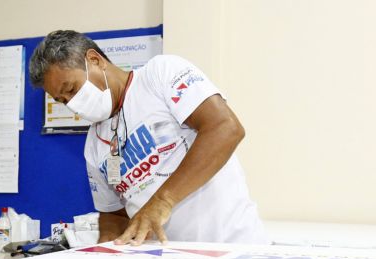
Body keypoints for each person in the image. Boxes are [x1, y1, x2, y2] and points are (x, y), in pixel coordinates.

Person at [29, 30, 268, 245]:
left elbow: (225, 128)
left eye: (71, 89)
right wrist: (107, 251)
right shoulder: (94, 144)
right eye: (63, 100)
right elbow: (115, 213)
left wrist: (163, 201)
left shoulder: (159, 75)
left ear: (95, 60)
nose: (72, 104)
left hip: (231, 247)